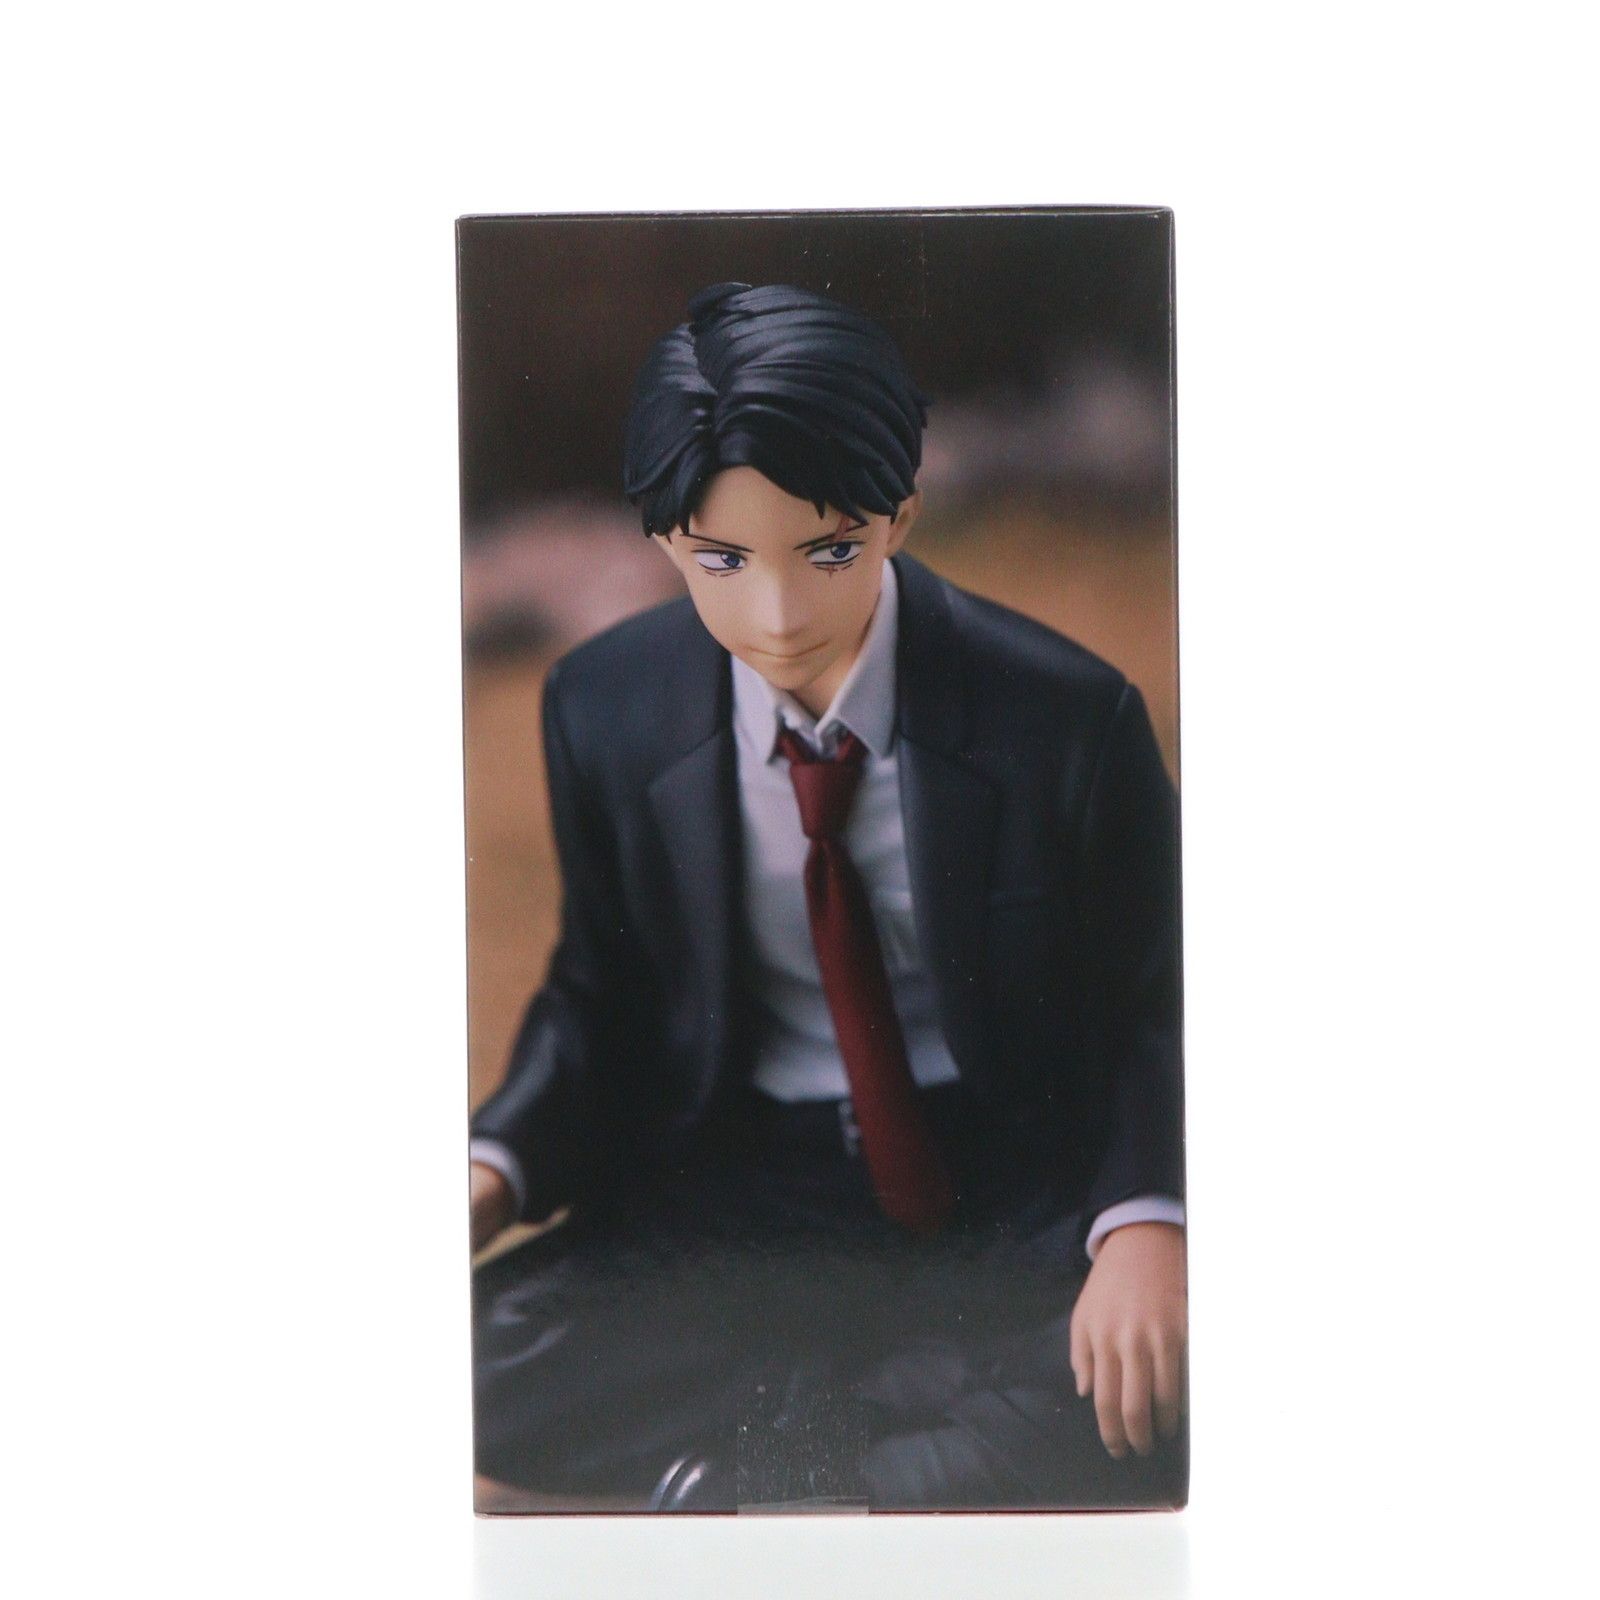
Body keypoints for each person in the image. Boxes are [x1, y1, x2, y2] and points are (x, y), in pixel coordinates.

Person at [467, 282, 1187, 1510]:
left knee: (1154, 1370)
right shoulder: (604, 707)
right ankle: (888, 1428)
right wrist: (492, 1165)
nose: (780, 612)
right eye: (722, 560)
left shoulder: (1061, 716)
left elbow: (1153, 997)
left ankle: (765, 1458)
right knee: (479, 1358)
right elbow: (599, 989)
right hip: (745, 1181)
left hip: (1006, 1174)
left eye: (830, 550)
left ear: (901, 515)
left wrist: (1141, 1222)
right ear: (662, 543)